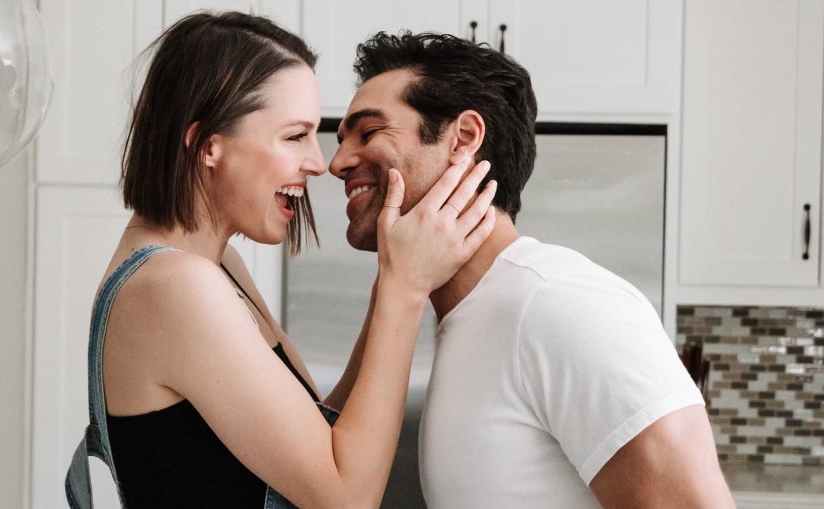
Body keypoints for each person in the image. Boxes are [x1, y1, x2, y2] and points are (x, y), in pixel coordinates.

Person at [64, 13, 498, 508]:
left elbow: (316, 435)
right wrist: (405, 290)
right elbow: (345, 497)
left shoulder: (216, 264)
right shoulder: (173, 285)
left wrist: (391, 278)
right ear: (208, 145)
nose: (319, 162)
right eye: (295, 137)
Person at [329, 32, 737, 508]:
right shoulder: (461, 313)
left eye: (369, 132)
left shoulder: (560, 303)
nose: (337, 162)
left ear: (462, 139)